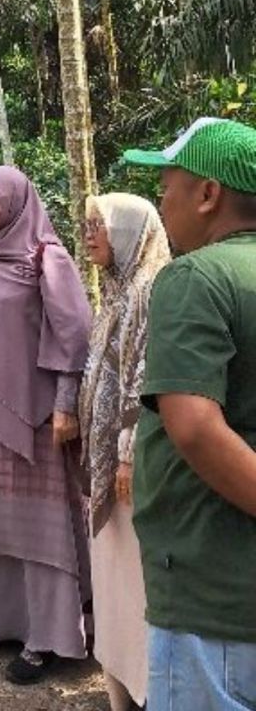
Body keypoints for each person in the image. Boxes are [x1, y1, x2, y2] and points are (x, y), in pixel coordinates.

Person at [121, 118, 256, 711]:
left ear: (208, 195)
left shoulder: (195, 278)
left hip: (213, 598)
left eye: (167, 186)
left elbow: (196, 426)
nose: (161, 201)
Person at [0, 166, 93, 684]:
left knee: (42, 527)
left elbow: (72, 335)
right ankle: (3, 623)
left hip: (38, 418)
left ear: (15, 202)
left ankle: (48, 637)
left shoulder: (47, 258)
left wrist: (67, 405)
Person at [79, 194, 169, 710]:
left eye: (102, 226)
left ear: (132, 232)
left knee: (135, 586)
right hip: (103, 463)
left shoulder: (151, 290)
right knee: (112, 585)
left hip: (129, 468)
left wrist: (129, 454)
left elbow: (144, 380)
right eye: (88, 224)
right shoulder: (114, 289)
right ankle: (119, 691)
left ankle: (147, 689)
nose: (91, 234)